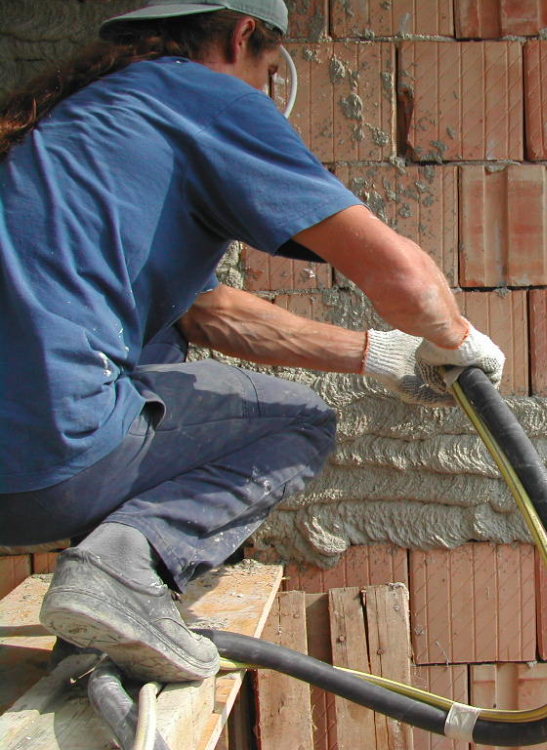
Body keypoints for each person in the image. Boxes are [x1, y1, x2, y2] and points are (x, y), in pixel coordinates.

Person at [0, 0, 504, 683]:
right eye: (269, 69)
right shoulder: (203, 95)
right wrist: (456, 338)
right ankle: (120, 576)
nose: (267, 88)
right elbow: (402, 277)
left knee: (155, 354)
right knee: (297, 421)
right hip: (46, 468)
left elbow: (209, 314)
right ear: (243, 35)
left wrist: (377, 353)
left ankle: (108, 600)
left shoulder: (82, 123)